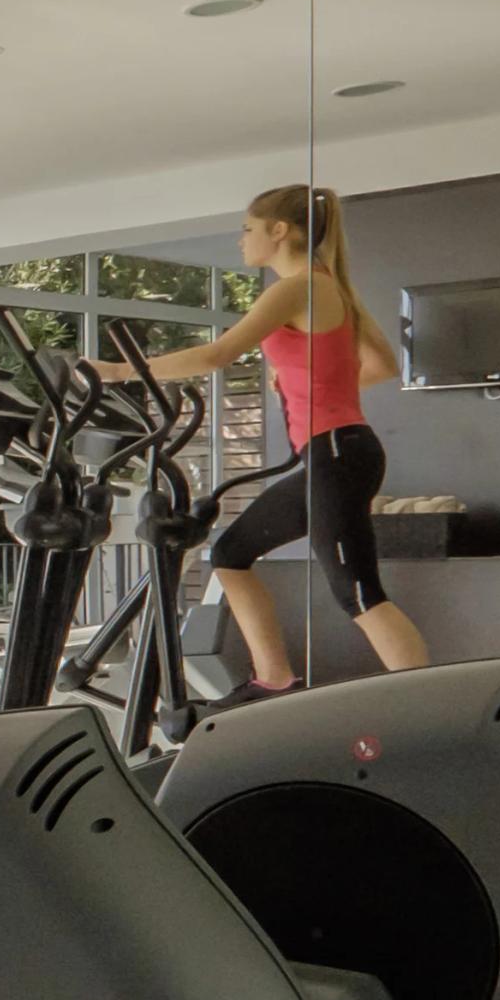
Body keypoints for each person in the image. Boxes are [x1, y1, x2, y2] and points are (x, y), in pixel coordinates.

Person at [96, 184, 432, 697]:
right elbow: (383, 366)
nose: (241, 240)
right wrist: (305, 385)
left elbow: (217, 356)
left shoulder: (295, 287)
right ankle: (274, 680)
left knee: (357, 593)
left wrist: (118, 371)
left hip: (337, 452)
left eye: (249, 228)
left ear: (280, 231)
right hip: (337, 451)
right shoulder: (331, 286)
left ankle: (434, 704)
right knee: (230, 553)